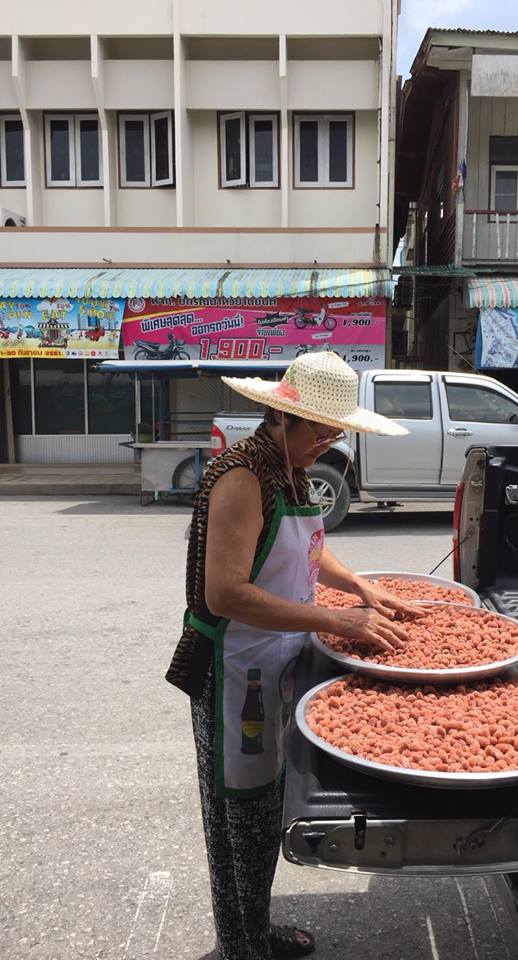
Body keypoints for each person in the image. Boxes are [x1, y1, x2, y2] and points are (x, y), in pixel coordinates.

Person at [166, 352, 420, 960]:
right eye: (320, 432)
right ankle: (241, 944)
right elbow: (225, 593)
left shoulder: (290, 467)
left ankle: (252, 931)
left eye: (336, 435)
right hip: (235, 667)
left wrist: (356, 585)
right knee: (238, 815)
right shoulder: (241, 477)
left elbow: (303, 546)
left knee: (263, 811)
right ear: (282, 416)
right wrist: (336, 619)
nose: (327, 444)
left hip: (274, 656)